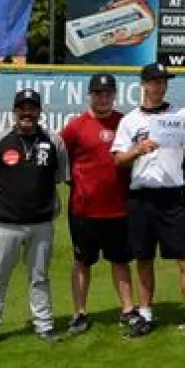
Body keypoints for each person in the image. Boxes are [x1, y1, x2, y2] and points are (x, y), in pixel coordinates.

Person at [112, 63, 185, 340]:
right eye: (153, 81)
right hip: (141, 196)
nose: (158, 86)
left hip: (172, 195)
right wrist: (138, 149)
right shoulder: (130, 120)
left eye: (163, 81)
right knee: (143, 257)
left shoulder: (180, 115)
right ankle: (145, 315)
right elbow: (118, 159)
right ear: (144, 84)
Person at [0, 89, 71, 349]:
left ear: (40, 112)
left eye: (32, 108)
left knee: (39, 277)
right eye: (22, 108)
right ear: (14, 112)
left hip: (41, 223)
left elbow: (59, 176)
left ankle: (44, 325)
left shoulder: (54, 142)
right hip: (5, 223)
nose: (27, 113)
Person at [60, 73, 138, 337]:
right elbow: (60, 158)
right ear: (90, 95)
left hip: (119, 207)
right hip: (84, 209)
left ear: (114, 95)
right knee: (82, 261)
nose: (103, 98)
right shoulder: (76, 126)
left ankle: (128, 309)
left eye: (107, 93)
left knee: (120, 261)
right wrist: (74, 184)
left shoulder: (125, 123)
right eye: (98, 94)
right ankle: (80, 312)